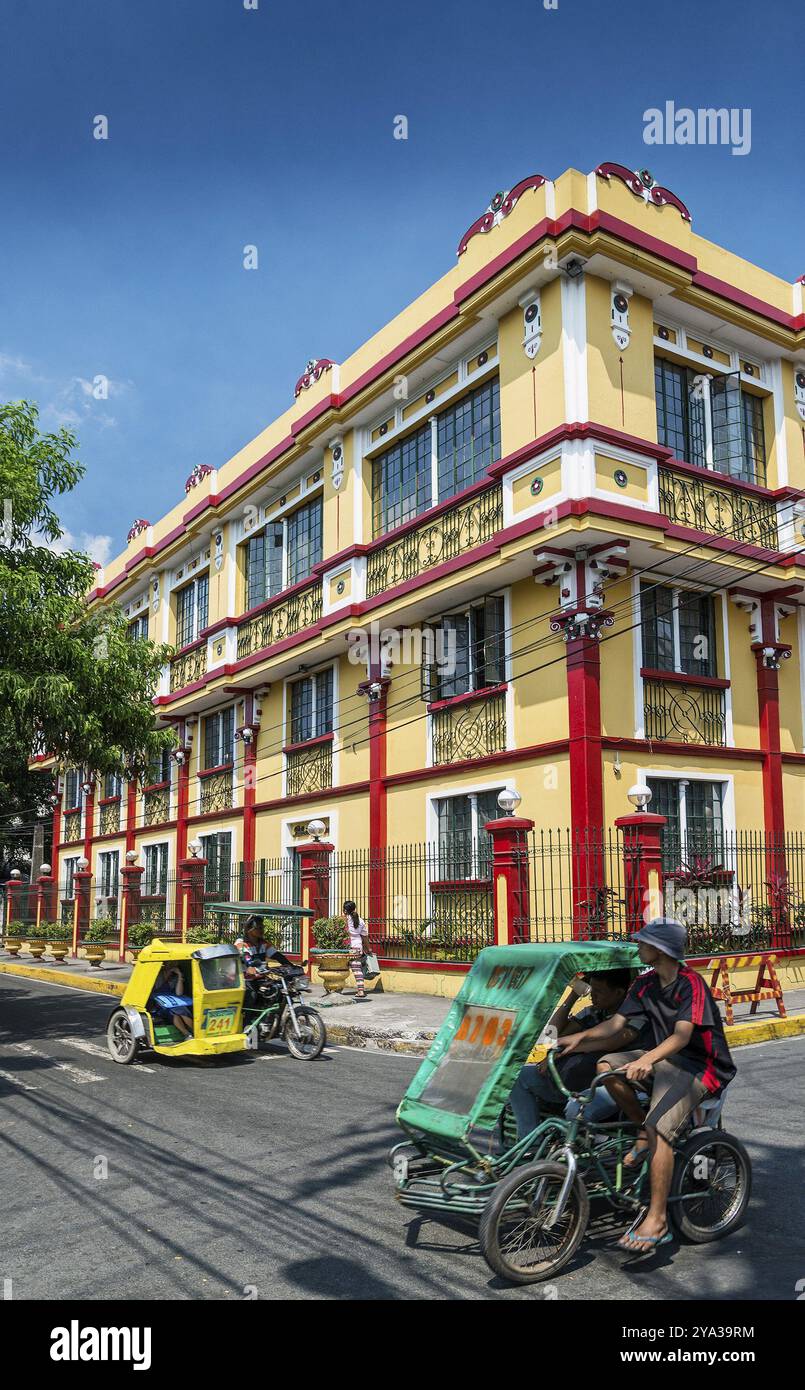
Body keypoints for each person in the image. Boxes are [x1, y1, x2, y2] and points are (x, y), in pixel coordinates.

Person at [557, 918, 736, 1254]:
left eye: (643, 942)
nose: (638, 947)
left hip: (701, 1067)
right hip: (664, 1061)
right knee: (607, 1066)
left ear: (661, 949)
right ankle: (643, 1131)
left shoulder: (690, 984)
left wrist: (645, 1060)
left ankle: (657, 1218)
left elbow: (682, 1036)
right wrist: (577, 1037)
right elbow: (616, 1023)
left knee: (661, 1128)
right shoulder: (645, 983)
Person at [508, 968, 638, 1141]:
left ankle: (598, 1142)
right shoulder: (591, 1012)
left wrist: (561, 1053)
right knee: (518, 1076)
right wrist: (573, 995)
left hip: (601, 1087)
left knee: (576, 1108)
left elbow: (609, 1042)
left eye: (599, 992)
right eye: (592, 990)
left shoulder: (632, 1016)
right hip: (565, 1081)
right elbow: (550, 1036)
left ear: (619, 993)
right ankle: (529, 1143)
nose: (593, 996)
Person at [152, 964, 193, 1039]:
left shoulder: (175, 977)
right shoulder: (158, 974)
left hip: (173, 1001)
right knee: (175, 1010)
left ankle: (192, 1032)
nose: (172, 964)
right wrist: (167, 974)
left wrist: (180, 976)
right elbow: (156, 988)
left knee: (179, 1010)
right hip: (158, 1003)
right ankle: (187, 1033)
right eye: (170, 963)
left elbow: (179, 993)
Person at [343, 900, 368, 1001]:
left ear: (344, 910)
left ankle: (336, 989)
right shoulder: (361, 920)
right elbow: (365, 937)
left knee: (340, 968)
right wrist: (368, 948)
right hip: (357, 946)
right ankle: (361, 991)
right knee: (357, 969)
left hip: (346, 947)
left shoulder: (344, 920)